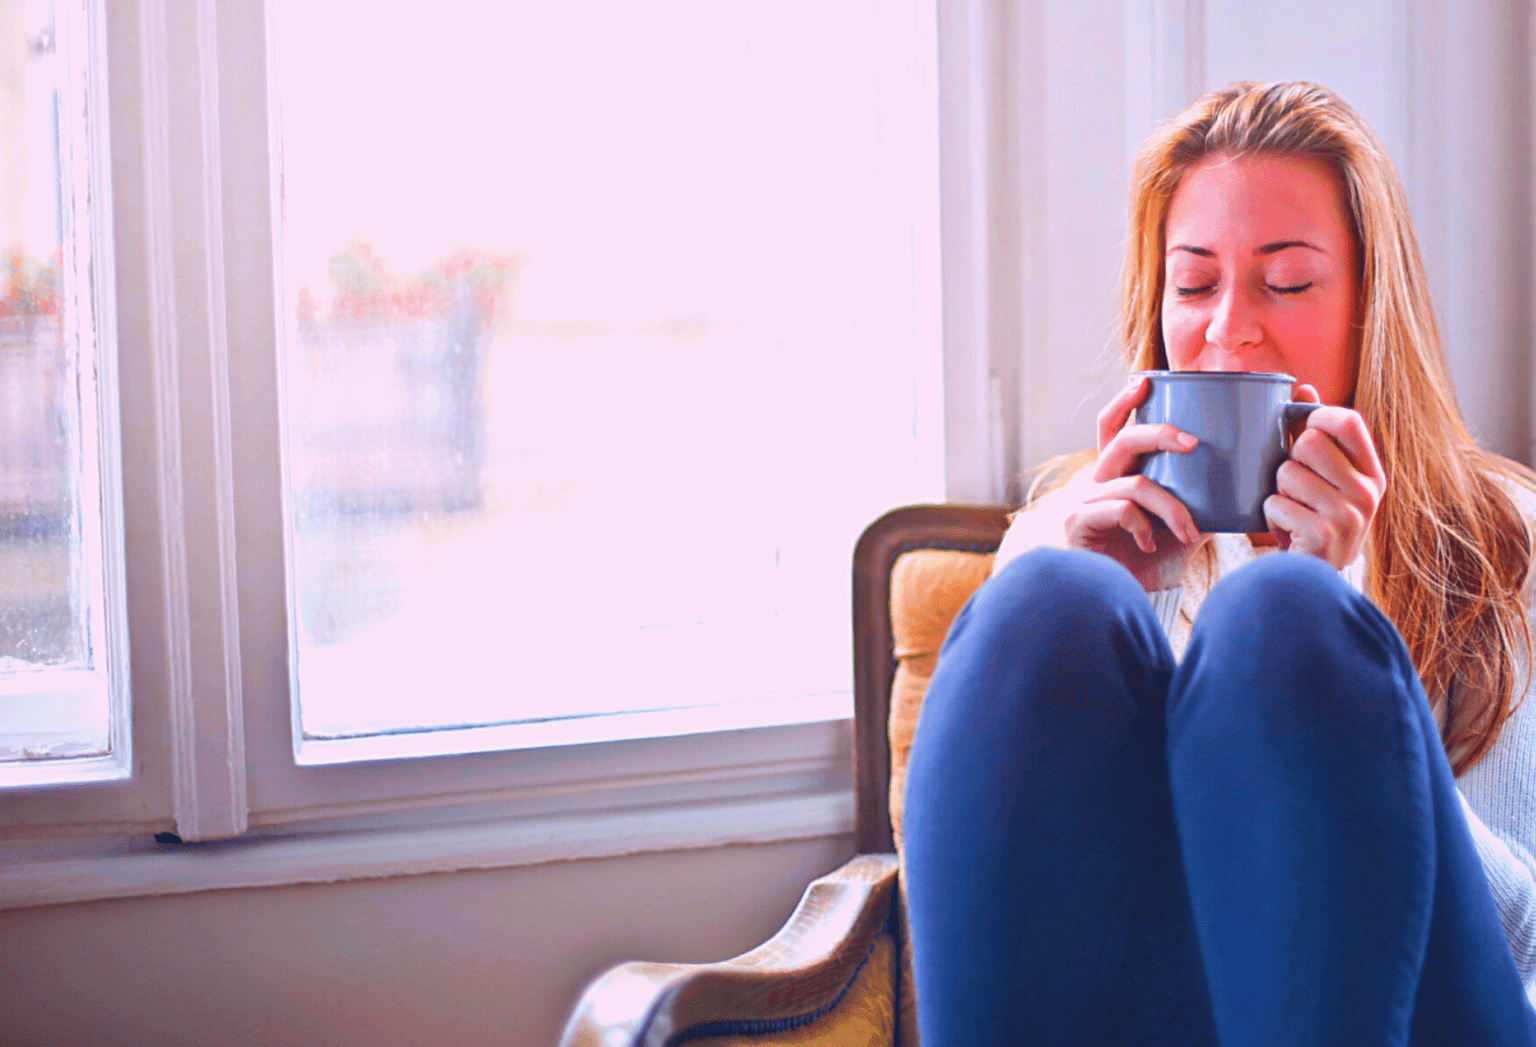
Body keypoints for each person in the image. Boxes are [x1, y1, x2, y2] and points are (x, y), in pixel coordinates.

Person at [901, 81, 1536, 1046]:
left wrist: (1342, 610)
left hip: (1434, 1014)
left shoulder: (1504, 540)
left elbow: (1519, 938)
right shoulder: (1065, 538)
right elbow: (987, 919)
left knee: (1285, 619)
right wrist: (1098, 592)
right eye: (1193, 284)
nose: (1229, 327)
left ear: (1371, 307)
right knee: (1048, 600)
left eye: (1286, 283)